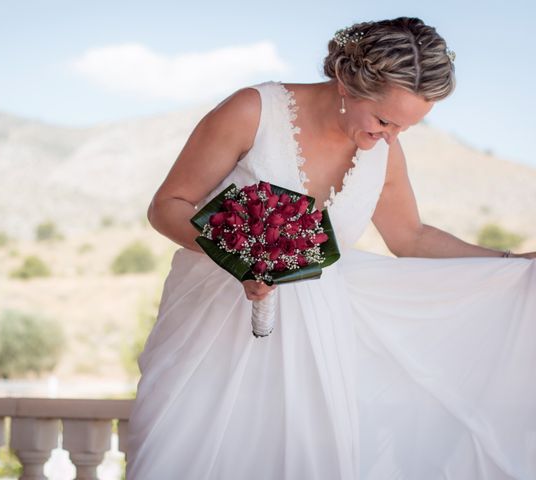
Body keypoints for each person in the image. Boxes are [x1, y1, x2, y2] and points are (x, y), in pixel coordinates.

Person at [126, 17, 536, 479]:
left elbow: (411, 238)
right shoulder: (254, 112)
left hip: (316, 348)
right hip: (209, 333)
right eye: (383, 120)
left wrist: (512, 263)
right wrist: (237, 257)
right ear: (345, 82)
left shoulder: (383, 150)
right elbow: (168, 206)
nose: (390, 138)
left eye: (404, 128)